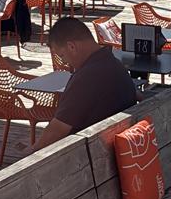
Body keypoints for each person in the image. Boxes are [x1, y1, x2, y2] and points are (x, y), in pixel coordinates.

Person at [31, 16, 137, 150]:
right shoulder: (115, 64)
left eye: (62, 56)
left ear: (72, 46)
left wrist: (31, 152)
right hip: (116, 145)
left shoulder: (87, 77)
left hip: (92, 152)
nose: (65, 63)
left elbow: (58, 130)